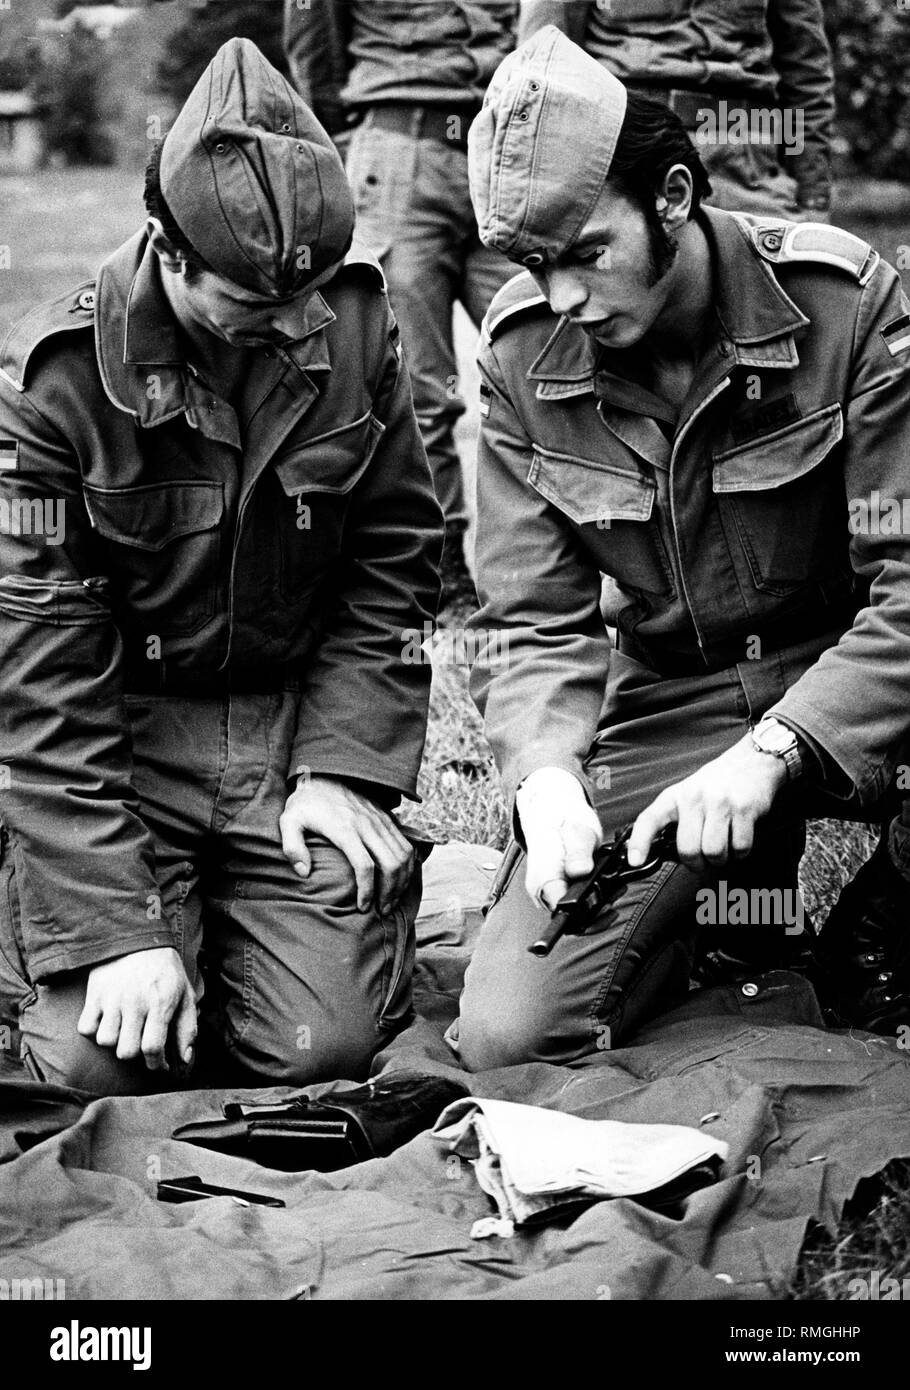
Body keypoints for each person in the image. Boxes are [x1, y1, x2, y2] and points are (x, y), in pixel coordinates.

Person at [449, 27, 910, 1070]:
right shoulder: (524, 357)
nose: (561, 296)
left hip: (857, 679)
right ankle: (739, 935)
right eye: (533, 264)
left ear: (669, 196)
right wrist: (546, 777)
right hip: (679, 702)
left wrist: (779, 749)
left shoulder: (843, 307)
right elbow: (530, 619)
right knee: (511, 1032)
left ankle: (879, 928)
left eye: (584, 253)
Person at [0, 38, 443, 1095]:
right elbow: (38, 679)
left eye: (317, 295)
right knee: (94, 1062)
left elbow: (395, 560)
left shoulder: (359, 323)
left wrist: (342, 767)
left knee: (322, 1051)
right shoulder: (53, 387)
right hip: (126, 740)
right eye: (259, 307)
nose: (302, 327)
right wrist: (117, 929)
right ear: (170, 251)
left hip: (291, 731)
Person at [284, 0, 518, 614]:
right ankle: (443, 580)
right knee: (420, 389)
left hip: (505, 150)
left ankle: (550, 568)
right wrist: (355, 143)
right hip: (398, 150)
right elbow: (315, 48)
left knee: (551, 353)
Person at [519, 0, 835, 221]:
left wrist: (813, 198)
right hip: (627, 152)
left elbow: (804, 78)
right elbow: (544, 66)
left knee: (784, 297)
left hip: (744, 161)